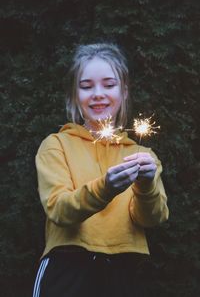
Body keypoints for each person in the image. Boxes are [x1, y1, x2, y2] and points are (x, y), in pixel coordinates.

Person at [32, 43, 169, 297]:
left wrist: (146, 185)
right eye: (86, 86)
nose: (97, 93)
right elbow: (59, 209)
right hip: (67, 269)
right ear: (75, 95)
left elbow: (153, 219)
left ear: (124, 92)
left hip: (124, 272)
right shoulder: (56, 145)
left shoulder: (142, 156)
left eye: (109, 84)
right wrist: (105, 188)